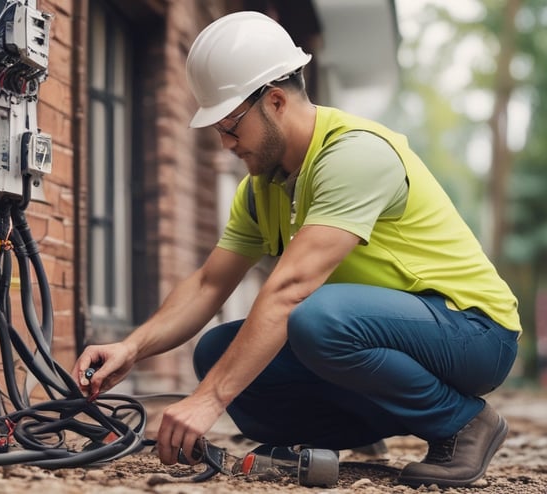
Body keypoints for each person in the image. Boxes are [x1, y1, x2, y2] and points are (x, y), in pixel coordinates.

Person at [71, 11, 521, 488]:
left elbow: (290, 291)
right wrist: (131, 347)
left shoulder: (354, 155)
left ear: (277, 101)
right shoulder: (261, 188)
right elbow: (208, 284)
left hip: (474, 331)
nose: (224, 143)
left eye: (230, 126)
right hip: (397, 337)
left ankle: (463, 422)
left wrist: (208, 401)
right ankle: (373, 427)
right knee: (217, 351)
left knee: (314, 317)